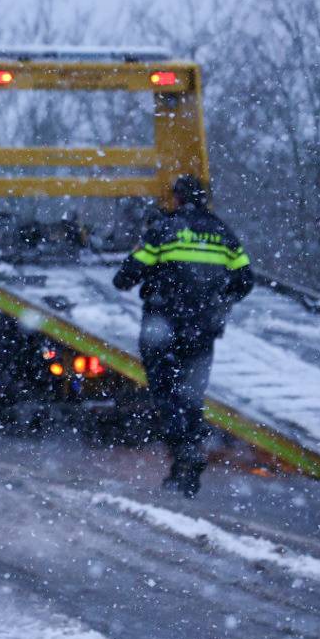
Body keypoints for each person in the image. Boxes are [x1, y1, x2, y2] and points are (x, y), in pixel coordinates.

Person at [112, 175, 254, 496]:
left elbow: (125, 276)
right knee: (192, 393)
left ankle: (183, 455)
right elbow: (245, 280)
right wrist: (217, 299)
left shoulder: (164, 231)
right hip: (204, 328)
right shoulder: (224, 234)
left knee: (166, 392)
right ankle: (189, 459)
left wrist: (148, 278)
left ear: (177, 199)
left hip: (163, 327)